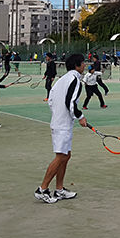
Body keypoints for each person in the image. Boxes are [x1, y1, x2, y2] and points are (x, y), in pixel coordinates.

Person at [34, 53, 88, 204]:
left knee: (66, 155)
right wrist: (80, 116)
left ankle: (59, 190)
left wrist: (60, 114)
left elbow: (50, 100)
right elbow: (70, 102)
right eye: (83, 63)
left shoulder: (62, 80)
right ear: (77, 66)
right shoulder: (75, 80)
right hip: (62, 125)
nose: (85, 65)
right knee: (61, 157)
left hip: (59, 122)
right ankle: (42, 189)